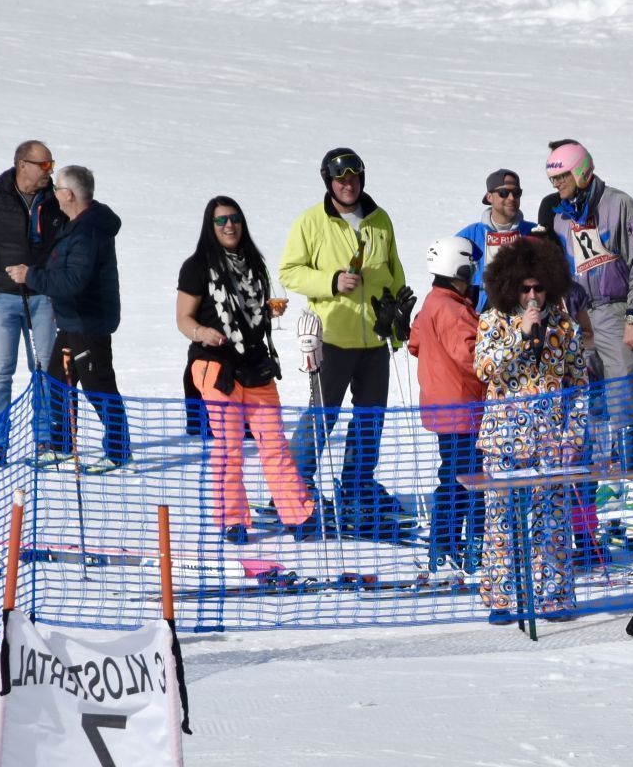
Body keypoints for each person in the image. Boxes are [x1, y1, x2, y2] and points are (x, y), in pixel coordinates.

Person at [279, 147, 412, 539]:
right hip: (331, 337)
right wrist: (331, 281)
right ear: (329, 182)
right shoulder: (312, 221)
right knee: (322, 415)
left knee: (371, 418)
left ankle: (356, 487)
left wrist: (398, 321)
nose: (348, 183)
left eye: (353, 176)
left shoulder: (379, 219)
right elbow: (289, 271)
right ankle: (293, 487)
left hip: (374, 338)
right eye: (340, 178)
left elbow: (394, 270)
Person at [176, 196, 317, 545]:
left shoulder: (254, 263)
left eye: (235, 218)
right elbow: (183, 318)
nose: (229, 225)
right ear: (210, 226)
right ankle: (232, 520)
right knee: (228, 447)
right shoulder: (197, 266)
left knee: (274, 444)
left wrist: (268, 313)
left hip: (255, 365)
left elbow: (251, 313)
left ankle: (297, 514)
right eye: (221, 220)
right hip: (215, 366)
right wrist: (202, 332)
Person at [472, 237, 593, 622]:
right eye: (525, 288)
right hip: (504, 440)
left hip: (551, 442)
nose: (533, 295)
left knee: (552, 521)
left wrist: (573, 437)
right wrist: (520, 335)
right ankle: (504, 601)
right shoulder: (492, 321)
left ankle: (553, 598)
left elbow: (579, 386)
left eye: (539, 286)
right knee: (502, 520)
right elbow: (483, 368)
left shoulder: (566, 326)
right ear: (510, 286)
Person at [539, 141, 633, 469]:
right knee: (590, 402)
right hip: (579, 316)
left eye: (562, 177)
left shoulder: (618, 205)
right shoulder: (561, 218)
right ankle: (602, 476)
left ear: (581, 171)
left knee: (621, 399)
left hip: (614, 309)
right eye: (553, 180)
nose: (557, 185)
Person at [6, 165, 128, 471]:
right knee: (58, 380)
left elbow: (74, 281)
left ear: (69, 194)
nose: (54, 195)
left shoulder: (87, 232)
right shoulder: (77, 223)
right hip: (73, 320)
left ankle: (119, 450)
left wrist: (30, 275)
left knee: (97, 385)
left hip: (89, 322)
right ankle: (61, 445)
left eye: (57, 189)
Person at [0, 141, 64, 465]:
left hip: (43, 298)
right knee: (0, 373)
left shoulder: (55, 199)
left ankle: (45, 441)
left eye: (51, 164)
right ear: (23, 164)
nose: (49, 171)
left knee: (45, 371)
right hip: (1, 300)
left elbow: (67, 245)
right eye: (44, 165)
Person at [408, 236, 486, 573]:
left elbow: (414, 343)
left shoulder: (433, 301)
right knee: (472, 481)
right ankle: (469, 549)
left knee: (452, 477)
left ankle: (445, 546)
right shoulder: (452, 308)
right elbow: (471, 357)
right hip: (463, 408)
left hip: (443, 408)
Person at [454, 170, 536, 306]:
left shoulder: (534, 234)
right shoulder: (467, 237)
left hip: (524, 316)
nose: (511, 198)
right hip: (479, 319)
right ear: (489, 197)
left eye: (516, 193)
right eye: (503, 193)